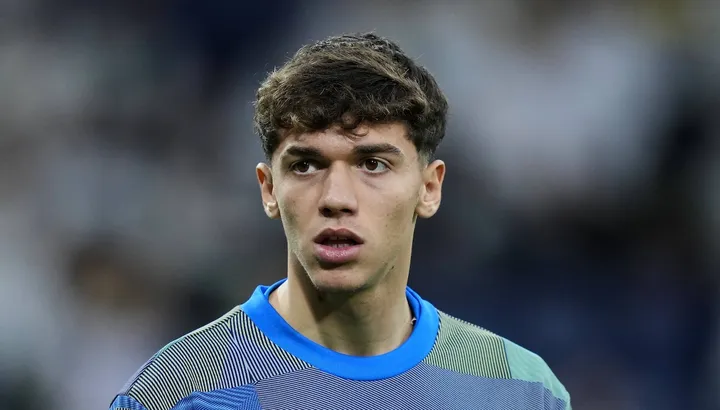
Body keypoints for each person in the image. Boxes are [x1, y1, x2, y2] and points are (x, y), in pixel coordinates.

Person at [109, 32, 571, 410]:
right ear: (268, 190)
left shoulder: (524, 392)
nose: (336, 199)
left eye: (373, 164)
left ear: (429, 188)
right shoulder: (178, 394)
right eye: (306, 165)